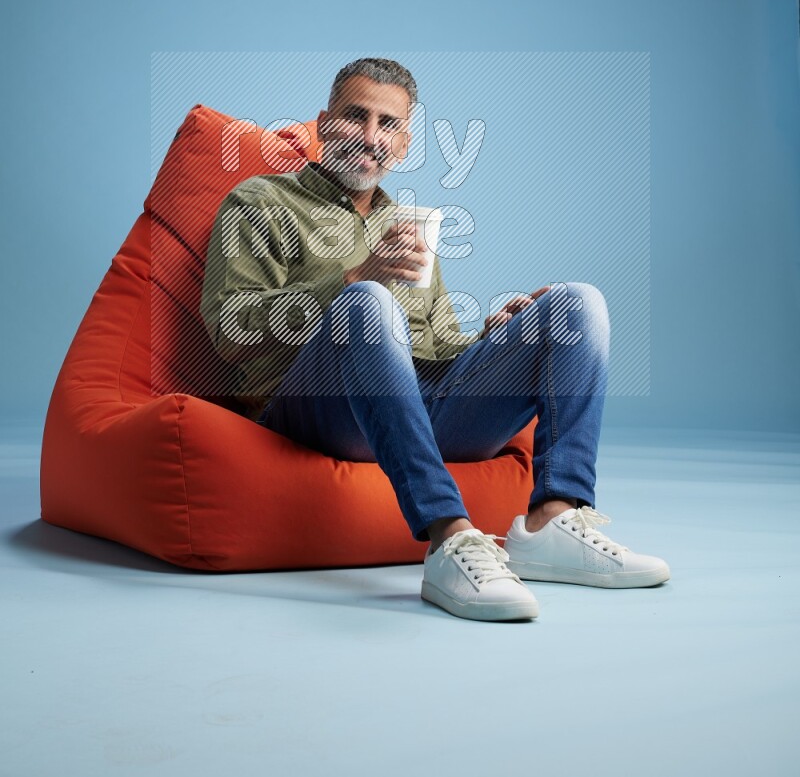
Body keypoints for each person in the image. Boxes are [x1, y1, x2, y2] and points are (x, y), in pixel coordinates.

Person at [200, 57, 670, 622]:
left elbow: (440, 346)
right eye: (355, 117)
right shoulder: (259, 203)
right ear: (324, 123)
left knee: (576, 304)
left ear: (404, 143)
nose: (370, 137)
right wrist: (354, 278)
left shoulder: (410, 225)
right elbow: (231, 326)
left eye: (388, 125)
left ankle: (553, 519)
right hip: (315, 413)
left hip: (420, 413)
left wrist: (497, 338)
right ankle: (450, 537)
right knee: (366, 304)